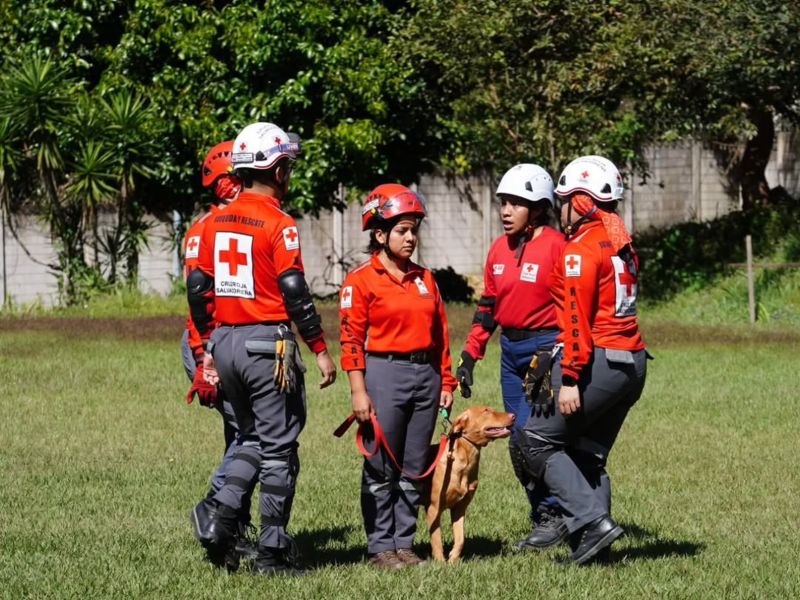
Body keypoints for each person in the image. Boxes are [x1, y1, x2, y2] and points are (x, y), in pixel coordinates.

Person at [187, 122, 337, 576]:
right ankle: (271, 553)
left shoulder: (212, 221)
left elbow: (198, 287)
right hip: (265, 343)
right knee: (279, 449)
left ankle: (218, 517)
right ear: (276, 169)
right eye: (287, 165)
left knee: (249, 438)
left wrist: (208, 347)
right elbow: (293, 289)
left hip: (226, 341)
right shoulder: (279, 222)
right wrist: (319, 347)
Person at [518, 155, 648, 565]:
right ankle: (595, 550)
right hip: (633, 362)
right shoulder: (620, 241)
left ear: (581, 201)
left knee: (534, 441)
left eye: (564, 200)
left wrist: (570, 377)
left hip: (599, 362)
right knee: (587, 454)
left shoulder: (581, 249)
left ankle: (592, 523)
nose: (560, 209)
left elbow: (576, 319)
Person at [339, 184, 457, 570]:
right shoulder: (361, 281)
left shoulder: (426, 279)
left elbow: (441, 334)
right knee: (381, 466)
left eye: (413, 230)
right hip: (384, 373)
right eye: (402, 230)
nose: (410, 238)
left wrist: (446, 382)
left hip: (426, 376)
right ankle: (379, 548)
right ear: (380, 235)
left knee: (414, 465)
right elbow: (351, 340)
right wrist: (359, 391)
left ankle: (403, 544)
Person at [455, 163, 569, 551]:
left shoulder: (556, 245)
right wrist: (470, 355)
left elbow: (574, 304)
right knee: (516, 439)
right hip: (511, 352)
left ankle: (554, 517)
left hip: (543, 349)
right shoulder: (498, 249)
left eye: (515, 204)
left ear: (537, 209)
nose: (505, 211)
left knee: (530, 434)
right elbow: (488, 306)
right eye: (503, 202)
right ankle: (545, 517)